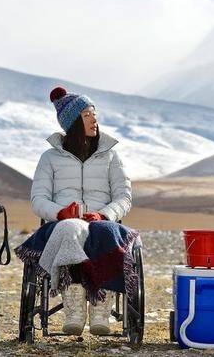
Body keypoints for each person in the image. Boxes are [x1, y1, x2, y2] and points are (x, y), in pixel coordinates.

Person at [18, 86, 132, 336]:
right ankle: (74, 307)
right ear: (73, 122)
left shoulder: (111, 157)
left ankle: (101, 306)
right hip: (63, 223)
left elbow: (124, 197)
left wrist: (104, 214)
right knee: (71, 228)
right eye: (87, 114)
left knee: (105, 230)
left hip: (102, 221)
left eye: (94, 114)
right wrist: (60, 213)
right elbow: (38, 199)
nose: (94, 119)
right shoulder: (49, 158)